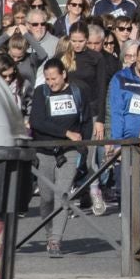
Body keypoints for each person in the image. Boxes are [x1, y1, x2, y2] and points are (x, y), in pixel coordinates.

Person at [27, 57, 92, 258]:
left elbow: (86, 120)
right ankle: (49, 233)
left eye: (54, 78)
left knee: (62, 195)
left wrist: (82, 146)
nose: (51, 83)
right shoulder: (41, 92)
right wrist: (65, 132)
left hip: (69, 151)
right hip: (44, 151)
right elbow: (37, 122)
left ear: (64, 74)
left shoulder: (77, 91)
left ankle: (56, 240)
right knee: (46, 198)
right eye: (47, 79)